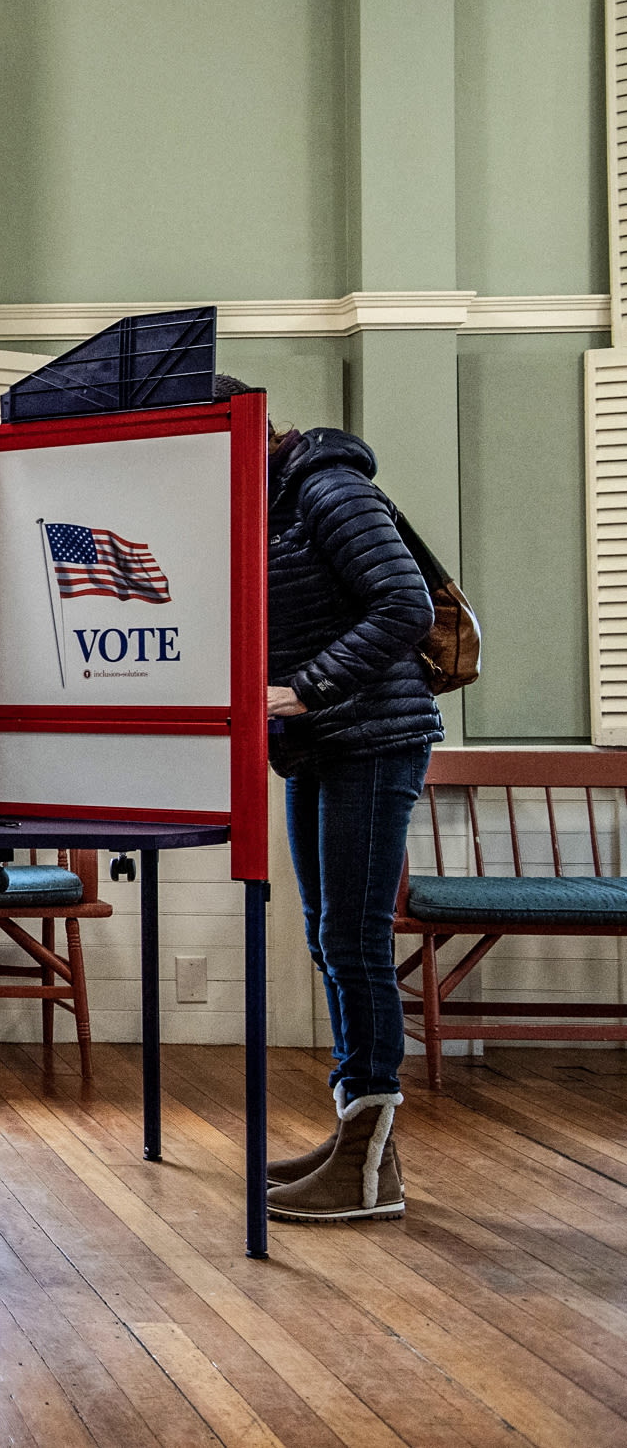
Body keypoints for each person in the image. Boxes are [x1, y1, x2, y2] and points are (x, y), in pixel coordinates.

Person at [218, 377, 442, 1222]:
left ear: (249, 433)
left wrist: (301, 688)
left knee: (354, 938)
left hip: (374, 737)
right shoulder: (265, 506)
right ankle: (361, 1142)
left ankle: (367, 1156)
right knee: (328, 937)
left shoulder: (326, 486)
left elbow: (406, 604)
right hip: (322, 746)